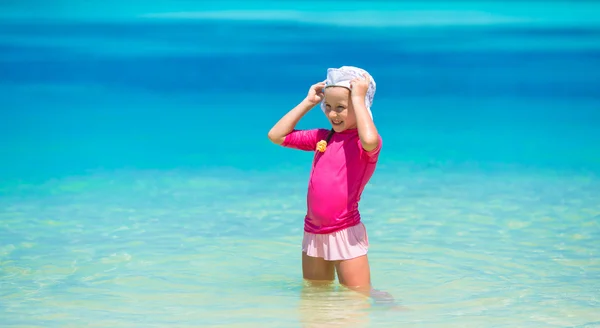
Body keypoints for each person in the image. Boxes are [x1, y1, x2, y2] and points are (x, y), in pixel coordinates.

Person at [268, 66, 393, 304]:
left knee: (359, 296)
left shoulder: (363, 144)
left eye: (341, 107)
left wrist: (358, 97)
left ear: (360, 106)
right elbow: (277, 135)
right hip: (313, 232)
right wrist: (308, 103)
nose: (333, 114)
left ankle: (397, 312)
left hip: (344, 232)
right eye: (328, 107)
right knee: (316, 296)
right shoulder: (322, 138)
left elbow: (370, 139)